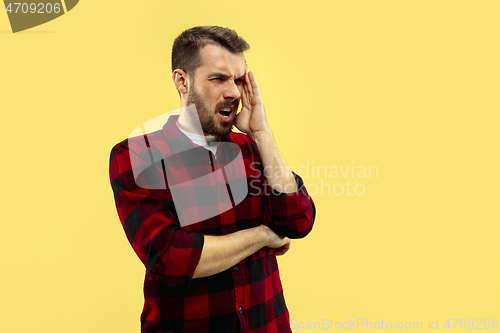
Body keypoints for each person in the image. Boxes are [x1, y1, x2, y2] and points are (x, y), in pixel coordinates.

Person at [109, 26, 316, 333]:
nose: (233, 91)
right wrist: (263, 236)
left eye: (238, 79)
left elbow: (298, 222)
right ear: (182, 81)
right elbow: (171, 258)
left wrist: (261, 132)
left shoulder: (252, 148)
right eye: (219, 78)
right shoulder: (139, 154)